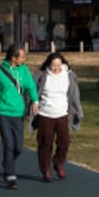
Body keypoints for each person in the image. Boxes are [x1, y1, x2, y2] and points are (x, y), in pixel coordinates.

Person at [0, 43, 39, 189]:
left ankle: (7, 162)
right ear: (13, 58)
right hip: (2, 112)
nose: (24, 59)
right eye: (22, 57)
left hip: (18, 113)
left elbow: (31, 86)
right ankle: (10, 175)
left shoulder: (24, 70)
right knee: (8, 143)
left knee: (19, 147)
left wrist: (35, 100)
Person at [33, 52, 84, 182]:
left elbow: (74, 95)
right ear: (48, 65)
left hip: (62, 114)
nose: (56, 69)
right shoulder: (41, 75)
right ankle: (45, 169)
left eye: (59, 66)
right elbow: (32, 92)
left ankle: (58, 162)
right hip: (45, 114)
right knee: (45, 143)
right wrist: (33, 105)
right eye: (53, 66)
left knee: (64, 142)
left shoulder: (69, 76)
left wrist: (78, 111)